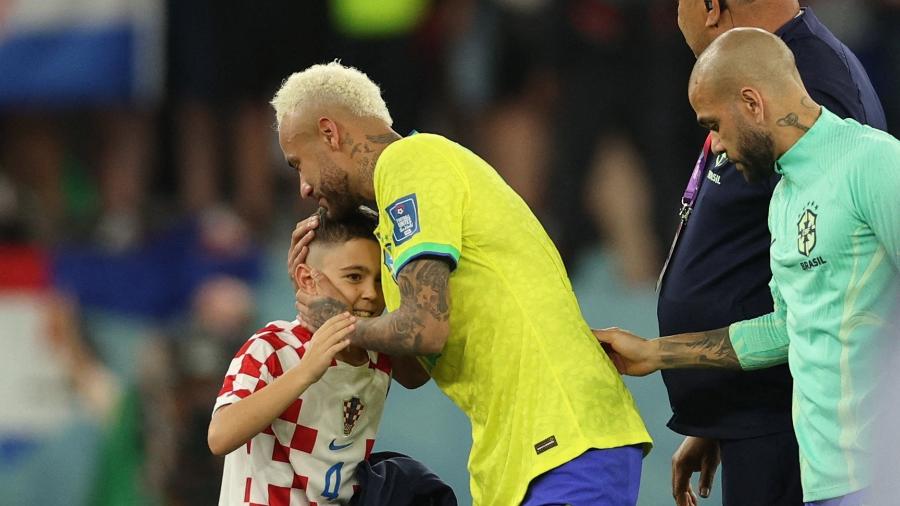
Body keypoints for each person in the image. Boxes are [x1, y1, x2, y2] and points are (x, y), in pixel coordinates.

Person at [273, 62, 651, 506]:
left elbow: (424, 328)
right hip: (524, 455)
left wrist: (334, 325)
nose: (302, 187)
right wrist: (343, 293)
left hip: (563, 439)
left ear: (330, 133)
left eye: (299, 163)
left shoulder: (409, 163)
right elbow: (415, 367)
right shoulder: (402, 217)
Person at [598, 27, 900, 506]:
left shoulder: (872, 162)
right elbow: (786, 328)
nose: (715, 145)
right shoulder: (782, 198)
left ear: (752, 103)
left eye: (714, 124)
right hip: (824, 479)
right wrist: (656, 353)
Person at [208, 209, 431, 505]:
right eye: (354, 277)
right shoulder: (272, 346)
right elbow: (220, 436)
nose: (370, 293)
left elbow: (418, 376)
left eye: (380, 280)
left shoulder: (377, 356)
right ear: (307, 279)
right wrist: (305, 372)